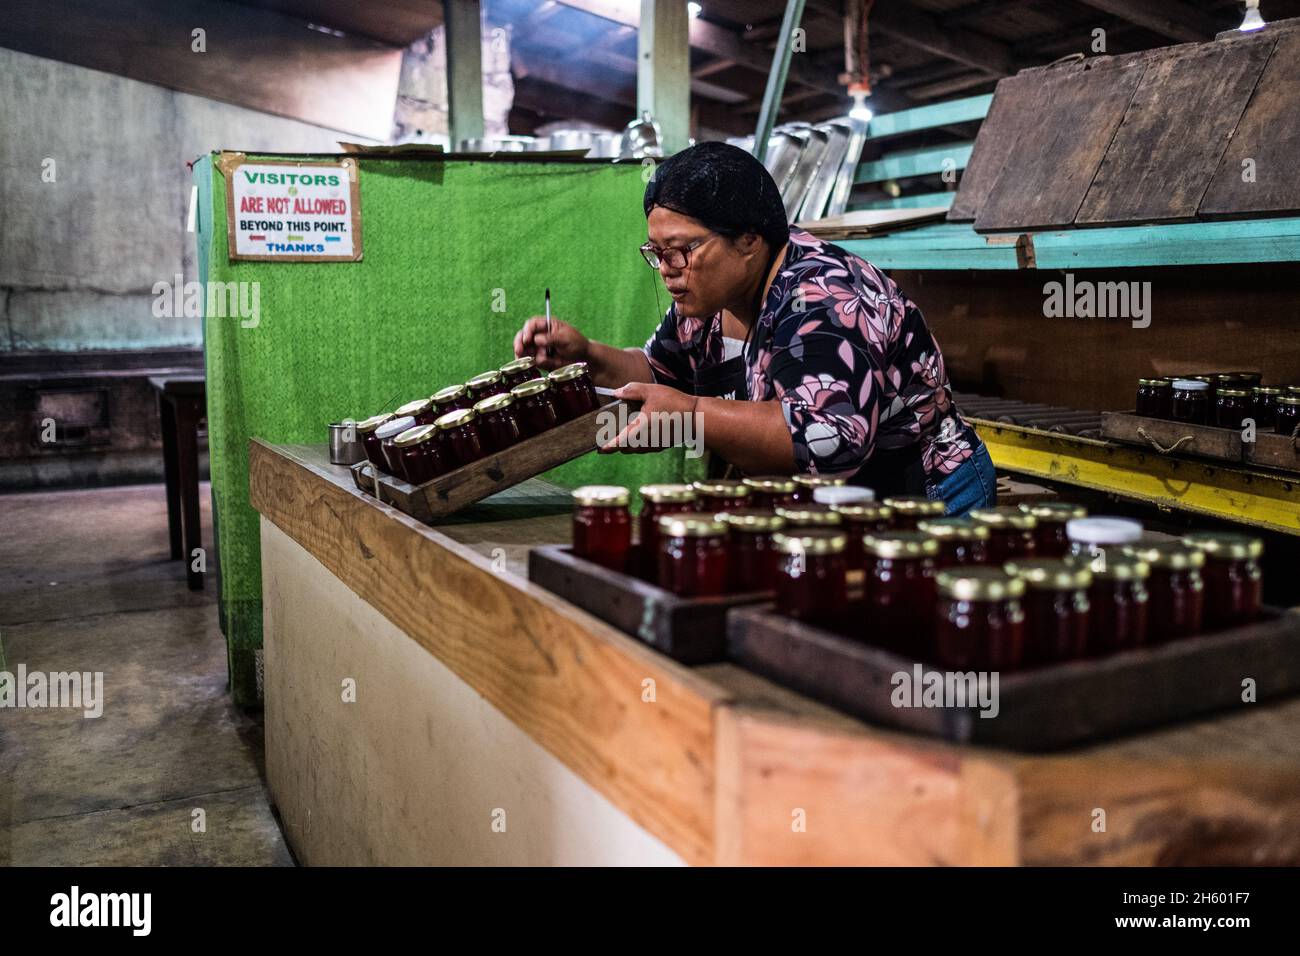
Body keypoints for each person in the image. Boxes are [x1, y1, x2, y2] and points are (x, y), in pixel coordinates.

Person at [512, 141, 996, 513]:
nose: (666, 267)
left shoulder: (824, 298)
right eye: (656, 253)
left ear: (748, 238)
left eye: (681, 249)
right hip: (833, 500)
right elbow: (662, 373)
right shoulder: (706, 300)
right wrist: (588, 357)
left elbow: (829, 441)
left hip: (924, 494)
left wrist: (691, 416)